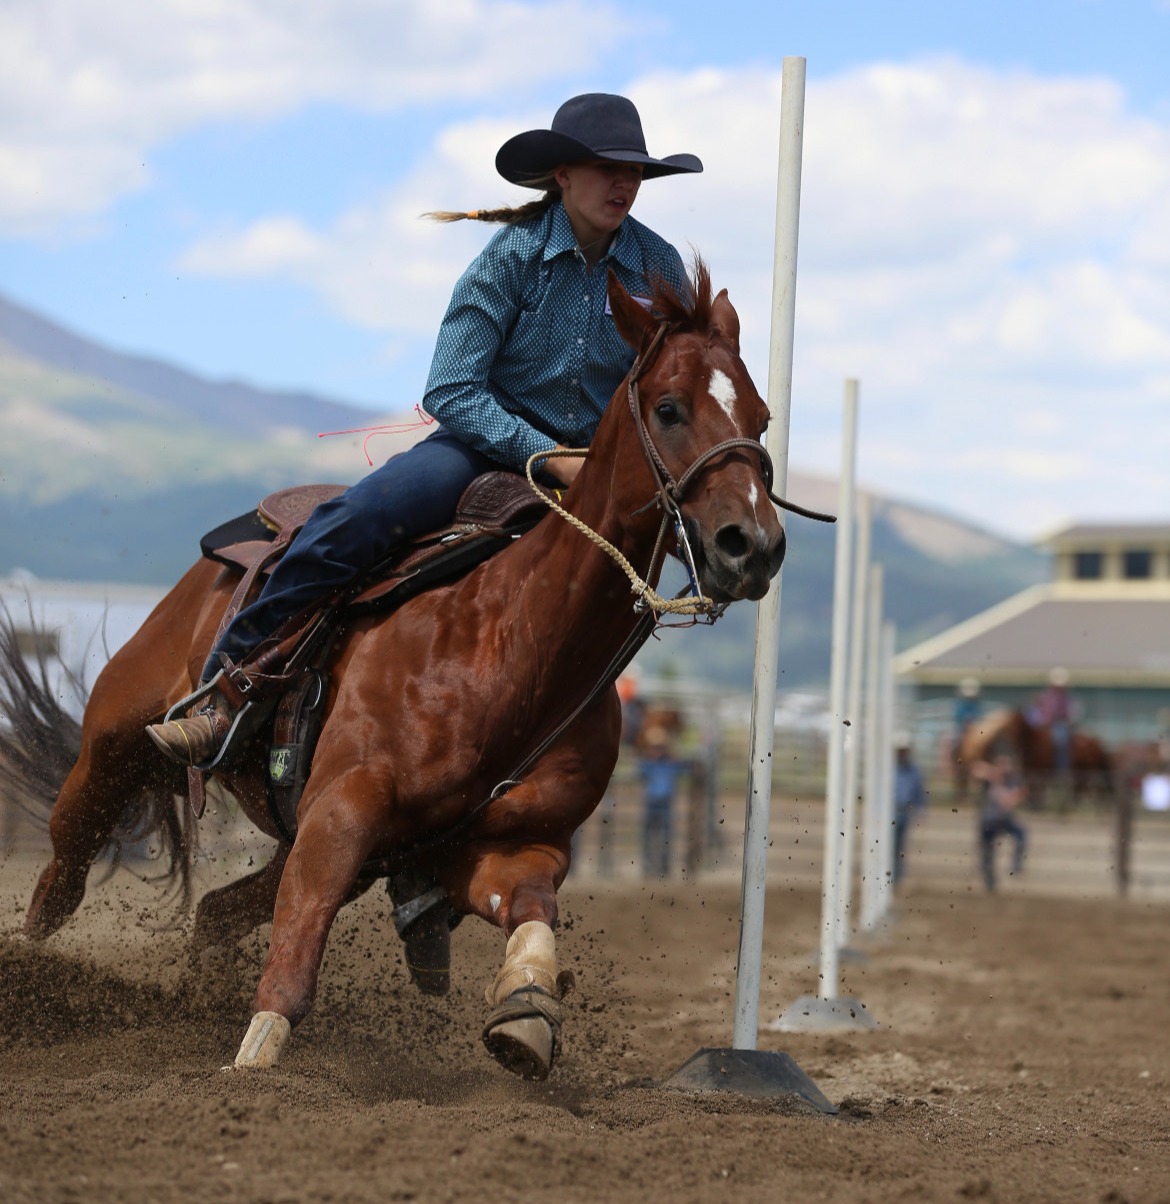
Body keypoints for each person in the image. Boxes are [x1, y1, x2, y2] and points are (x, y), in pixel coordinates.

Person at [147, 93, 702, 765]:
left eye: (634, 171)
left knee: (708, 537)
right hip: (482, 449)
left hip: (600, 466)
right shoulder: (511, 259)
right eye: (605, 167)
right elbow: (451, 388)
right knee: (360, 517)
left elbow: (680, 380)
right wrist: (550, 457)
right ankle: (229, 686)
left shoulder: (660, 267)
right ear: (562, 175)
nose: (623, 184)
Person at [637, 724, 690, 879]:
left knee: (665, 837)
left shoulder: (670, 763)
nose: (657, 750)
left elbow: (686, 769)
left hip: (663, 803)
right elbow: (639, 773)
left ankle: (663, 868)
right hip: (653, 802)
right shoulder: (649, 762)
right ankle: (649, 868)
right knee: (649, 837)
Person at [974, 752, 1028, 892]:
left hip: (1004, 821)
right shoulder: (989, 779)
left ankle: (1016, 864)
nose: (1004, 768)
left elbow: (1017, 795)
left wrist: (1009, 794)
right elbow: (976, 769)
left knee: (1022, 836)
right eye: (1001, 764)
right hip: (989, 822)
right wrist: (993, 774)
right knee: (987, 853)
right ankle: (990, 883)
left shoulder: (1013, 780)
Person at [892, 733, 928, 886]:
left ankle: (897, 878)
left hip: (904, 812)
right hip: (890, 812)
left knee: (899, 847)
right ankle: (889, 876)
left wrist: (921, 809)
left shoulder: (914, 771)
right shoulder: (890, 769)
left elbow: (919, 793)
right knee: (889, 845)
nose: (902, 753)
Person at [1031, 667, 1074, 777]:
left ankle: (1061, 769)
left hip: (1058, 725)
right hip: (1043, 725)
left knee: (1060, 741)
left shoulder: (1066, 698)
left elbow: (1069, 714)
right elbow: (1037, 711)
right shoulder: (1045, 696)